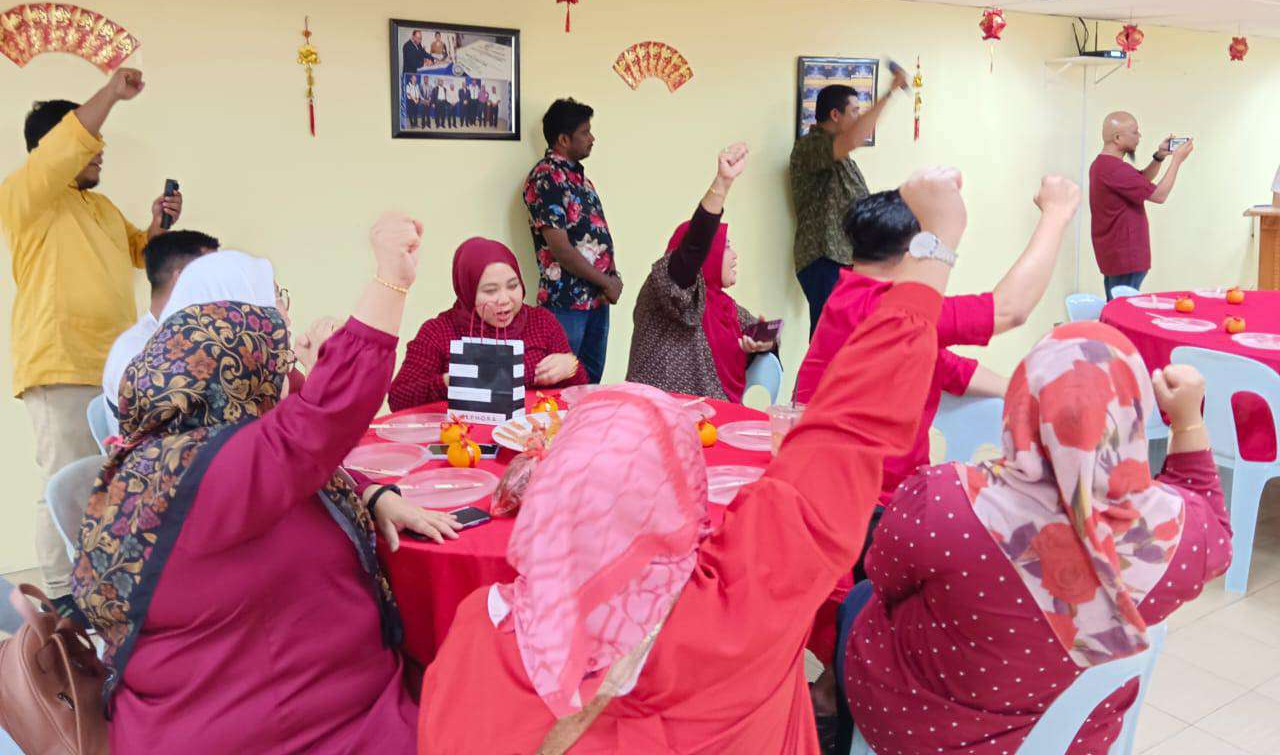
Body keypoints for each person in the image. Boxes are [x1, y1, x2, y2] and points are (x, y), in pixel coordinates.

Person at [420, 167, 971, 755]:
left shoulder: (480, 635)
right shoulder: (745, 600)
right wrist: (938, 242)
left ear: (548, 503)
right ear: (681, 497)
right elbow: (849, 429)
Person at [73, 214, 461, 755]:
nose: (286, 318)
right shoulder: (205, 467)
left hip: (302, 700)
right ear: (240, 341)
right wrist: (390, 280)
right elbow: (322, 418)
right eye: (275, 302)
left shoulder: (177, 449)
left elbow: (304, 454)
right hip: (290, 729)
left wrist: (369, 494)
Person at [842, 325, 1231, 754]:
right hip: (1071, 741)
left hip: (921, 731)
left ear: (1022, 403)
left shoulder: (943, 502)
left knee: (858, 598)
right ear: (1132, 417)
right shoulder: (1174, 538)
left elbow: (884, 578)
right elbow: (1215, 524)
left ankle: (827, 713)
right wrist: (1188, 419)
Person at [796, 174, 1079, 721]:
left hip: (853, 489)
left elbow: (942, 363)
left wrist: (1025, 389)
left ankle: (841, 689)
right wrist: (1057, 213)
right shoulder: (880, 304)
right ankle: (857, 699)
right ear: (917, 252)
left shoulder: (850, 293)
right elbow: (1009, 310)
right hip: (859, 502)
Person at [0, 67, 181, 618]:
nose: (100, 149)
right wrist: (110, 95)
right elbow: (65, 148)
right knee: (64, 482)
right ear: (54, 147)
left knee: (110, 480)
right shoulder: (27, 195)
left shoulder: (99, 209)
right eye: (89, 140)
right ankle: (61, 596)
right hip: (59, 362)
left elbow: (139, 252)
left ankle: (106, 582)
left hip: (113, 369)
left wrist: (157, 225)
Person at [627, 143, 776, 401]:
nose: (734, 255)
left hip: (715, 417)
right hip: (658, 414)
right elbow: (693, 247)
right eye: (725, 247)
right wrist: (722, 183)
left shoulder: (726, 308)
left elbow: (767, 334)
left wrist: (765, 343)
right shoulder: (666, 288)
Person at [388, 237, 587, 411]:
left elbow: (580, 389)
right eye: (490, 291)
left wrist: (571, 366)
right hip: (465, 436)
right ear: (467, 290)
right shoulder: (439, 331)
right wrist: (450, 382)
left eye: (513, 286)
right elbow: (398, 398)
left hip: (533, 432)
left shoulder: (541, 321)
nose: (504, 300)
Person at [791, 69, 908, 337]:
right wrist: (890, 93)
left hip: (845, 259)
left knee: (850, 338)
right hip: (824, 258)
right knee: (829, 339)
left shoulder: (843, 159)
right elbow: (855, 138)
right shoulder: (809, 148)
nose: (859, 118)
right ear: (835, 115)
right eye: (854, 111)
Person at [523, 98, 620, 383]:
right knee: (561, 385)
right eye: (585, 132)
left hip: (596, 300)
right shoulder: (546, 177)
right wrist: (606, 282)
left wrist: (612, 278)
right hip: (565, 303)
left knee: (589, 384)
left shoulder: (580, 179)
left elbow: (596, 236)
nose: (592, 139)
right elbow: (561, 249)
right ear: (563, 139)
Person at [101, 229, 220, 436]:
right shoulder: (137, 351)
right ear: (182, 279)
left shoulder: (190, 337)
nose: (221, 286)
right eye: (213, 275)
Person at [1090, 112, 1193, 299]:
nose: (1139, 136)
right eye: (1135, 132)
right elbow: (1159, 195)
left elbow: (1140, 181)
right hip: (1126, 257)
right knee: (1122, 310)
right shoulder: (1115, 169)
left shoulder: (1103, 165)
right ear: (1117, 138)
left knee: (1114, 306)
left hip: (1115, 255)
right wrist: (1177, 161)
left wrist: (1159, 156)